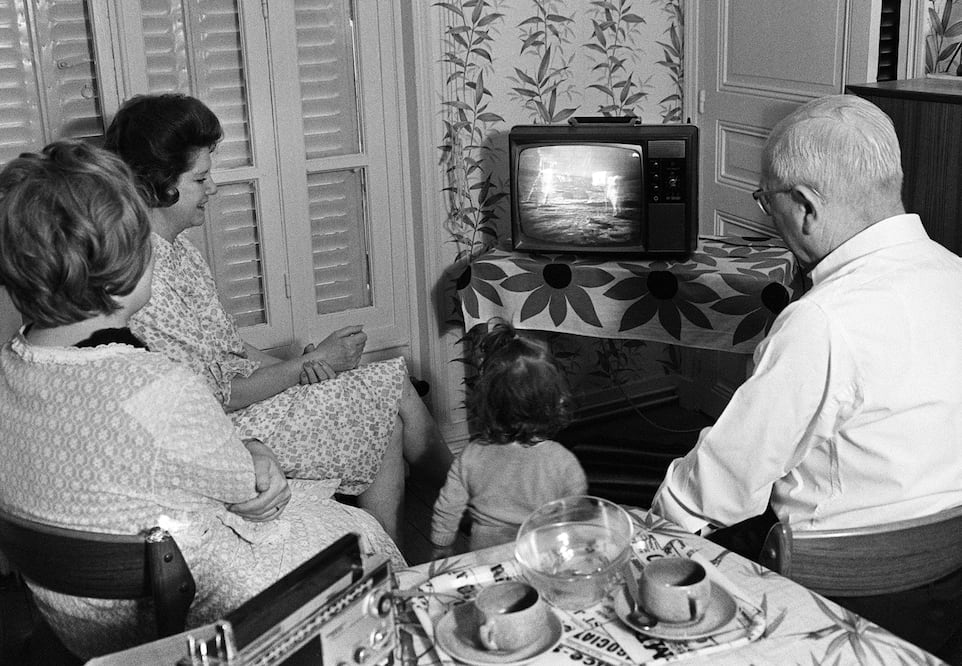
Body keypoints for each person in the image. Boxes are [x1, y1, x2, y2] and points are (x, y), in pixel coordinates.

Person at [0, 140, 405, 659]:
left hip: (72, 615)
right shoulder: (152, 385)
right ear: (121, 266)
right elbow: (249, 488)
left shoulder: (13, 365)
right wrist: (256, 447)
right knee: (361, 533)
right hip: (173, 611)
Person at [650, 94, 962, 654]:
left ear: (805, 206)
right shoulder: (956, 274)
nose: (770, 216)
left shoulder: (823, 322)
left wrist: (644, 543)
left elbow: (717, 491)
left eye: (768, 203)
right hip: (950, 584)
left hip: (839, 594)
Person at [103, 93, 452, 545]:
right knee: (389, 391)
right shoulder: (144, 275)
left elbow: (225, 346)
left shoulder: (178, 248)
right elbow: (213, 398)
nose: (215, 188)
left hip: (244, 405)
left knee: (383, 402)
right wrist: (299, 369)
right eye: (202, 178)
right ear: (156, 186)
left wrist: (310, 367)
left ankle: (396, 546)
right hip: (221, 433)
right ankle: (467, 498)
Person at [429, 320, 587, 556]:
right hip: (541, 554)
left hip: (487, 555)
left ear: (487, 402)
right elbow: (574, 517)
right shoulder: (562, 461)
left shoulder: (472, 454)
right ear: (554, 404)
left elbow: (448, 504)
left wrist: (441, 544)